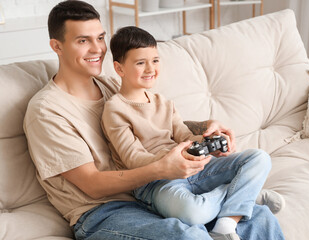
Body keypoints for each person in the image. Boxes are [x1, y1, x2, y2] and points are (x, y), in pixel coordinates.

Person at [23, 1, 285, 240]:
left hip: (153, 192)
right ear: (57, 46)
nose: (98, 49)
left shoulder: (111, 85)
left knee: (258, 218)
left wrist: (205, 128)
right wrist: (163, 168)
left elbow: (158, 125)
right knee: (190, 237)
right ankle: (233, 192)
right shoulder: (47, 111)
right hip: (104, 212)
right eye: (83, 41)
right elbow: (92, 184)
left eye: (100, 38)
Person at [101, 26, 283, 240]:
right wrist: (173, 158)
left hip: (194, 167)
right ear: (119, 68)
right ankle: (243, 196)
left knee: (259, 158)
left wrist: (209, 141)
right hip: (155, 182)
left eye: (155, 60)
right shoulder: (115, 109)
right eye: (140, 63)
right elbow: (133, 159)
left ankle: (226, 222)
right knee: (194, 213)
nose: (150, 68)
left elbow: (185, 136)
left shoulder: (164, 102)